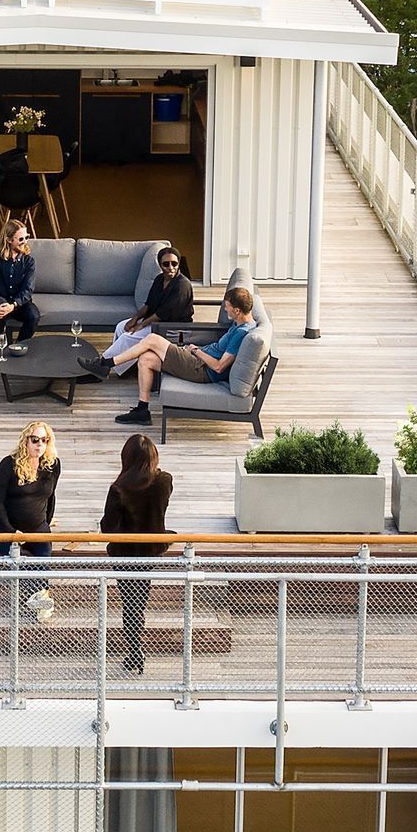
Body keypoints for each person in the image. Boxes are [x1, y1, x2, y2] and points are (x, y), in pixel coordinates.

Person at [114, 285, 259, 426]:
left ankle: (110, 362)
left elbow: (219, 367)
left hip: (201, 369)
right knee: (146, 359)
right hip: (198, 361)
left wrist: (196, 351)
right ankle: (142, 410)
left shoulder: (241, 333)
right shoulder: (242, 322)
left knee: (152, 339)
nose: (225, 308)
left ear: (238, 310)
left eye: (227, 306)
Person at [101, 432, 174, 673]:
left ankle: (134, 650)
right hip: (151, 548)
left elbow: (107, 528)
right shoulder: (164, 481)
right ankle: (135, 649)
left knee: (131, 603)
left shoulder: (119, 489)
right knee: (138, 599)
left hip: (125, 553)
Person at [0, 420, 60, 619]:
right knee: (17, 559)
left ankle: (40, 603)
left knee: (44, 556)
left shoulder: (53, 464)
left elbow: (50, 496)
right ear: (26, 441)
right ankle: (40, 603)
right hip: (5, 526)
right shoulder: (8, 464)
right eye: (35, 439)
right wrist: (11, 532)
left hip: (37, 527)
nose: (39, 444)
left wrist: (46, 522)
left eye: (44, 440)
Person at [104, 247, 196, 365]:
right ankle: (125, 367)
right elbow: (148, 304)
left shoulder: (182, 285)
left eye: (174, 263)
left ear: (179, 263)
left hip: (172, 327)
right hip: (156, 322)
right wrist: (135, 319)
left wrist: (141, 325)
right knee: (121, 327)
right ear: (160, 265)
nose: (171, 268)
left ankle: (103, 364)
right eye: (166, 264)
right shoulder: (159, 279)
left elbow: (163, 313)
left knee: (128, 337)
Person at [0, 220, 41, 356]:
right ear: (8, 240)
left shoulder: (29, 261)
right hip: (1, 300)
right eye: (20, 238)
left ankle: (20, 345)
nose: (25, 241)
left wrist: (13, 305)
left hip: (20, 303)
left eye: (27, 237)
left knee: (34, 315)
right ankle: (0, 342)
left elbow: (28, 289)